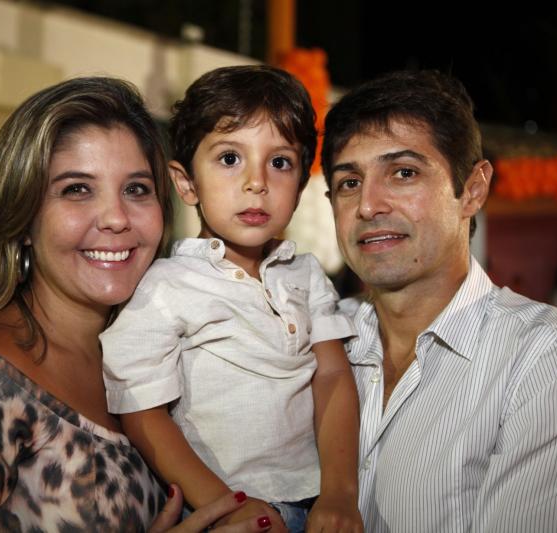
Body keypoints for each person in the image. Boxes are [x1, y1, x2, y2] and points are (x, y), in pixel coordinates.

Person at [0, 77, 274, 532]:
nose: (116, 218)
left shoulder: (162, 357)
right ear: (23, 217)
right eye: (77, 189)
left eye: (136, 189)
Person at [321, 70, 557, 532]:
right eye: (349, 182)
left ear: (473, 189)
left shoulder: (550, 362)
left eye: (404, 173)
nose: (368, 205)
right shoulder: (316, 343)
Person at [102, 65, 362, 532]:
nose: (256, 182)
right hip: (222, 512)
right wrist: (226, 505)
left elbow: (333, 376)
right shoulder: (165, 286)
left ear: (299, 189)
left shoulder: (306, 274)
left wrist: (341, 492)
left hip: (316, 504)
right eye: (229, 158)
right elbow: (141, 410)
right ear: (186, 183)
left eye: (279, 163)